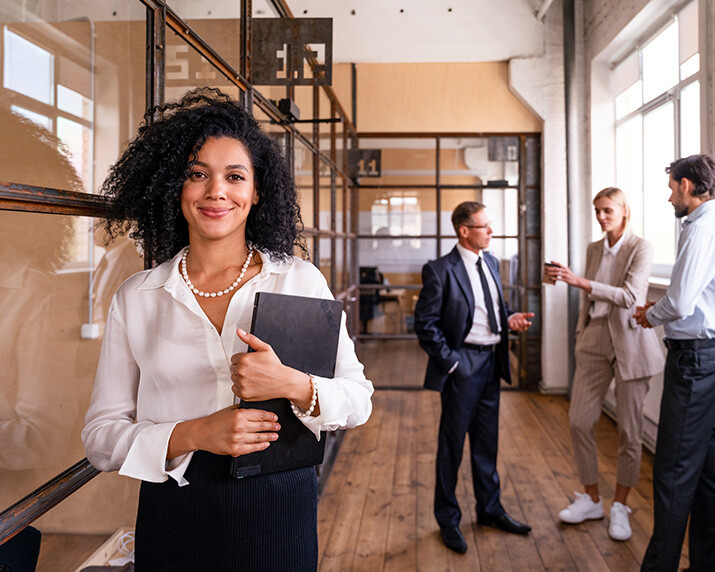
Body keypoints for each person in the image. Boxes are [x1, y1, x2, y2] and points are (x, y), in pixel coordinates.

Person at [82, 88, 373, 571]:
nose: (216, 191)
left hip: (279, 509)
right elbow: (100, 437)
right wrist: (197, 432)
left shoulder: (299, 280)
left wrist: (292, 385)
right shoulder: (138, 296)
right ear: (174, 187)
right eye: (198, 175)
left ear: (256, 192)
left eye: (234, 176)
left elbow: (358, 399)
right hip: (176, 508)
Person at [413, 201, 534, 554]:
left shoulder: (492, 262)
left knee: (486, 443)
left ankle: (490, 510)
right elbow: (426, 324)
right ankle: (448, 519)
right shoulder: (439, 270)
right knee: (452, 447)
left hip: (492, 362)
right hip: (462, 365)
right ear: (464, 231)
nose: (491, 232)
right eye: (484, 227)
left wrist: (509, 318)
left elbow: (491, 308)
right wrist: (453, 363)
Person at [544, 187, 663, 541]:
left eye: (608, 210)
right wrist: (562, 281)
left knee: (629, 431)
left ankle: (621, 506)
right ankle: (592, 499)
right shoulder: (594, 248)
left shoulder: (641, 247)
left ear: (624, 211)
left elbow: (629, 297)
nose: (601, 217)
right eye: (597, 211)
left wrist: (580, 281)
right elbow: (592, 295)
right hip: (595, 337)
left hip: (630, 341)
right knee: (579, 421)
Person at [634, 154, 715, 572]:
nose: (669, 197)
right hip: (710, 358)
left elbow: (682, 303)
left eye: (671, 188)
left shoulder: (702, 227)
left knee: (671, 473)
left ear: (686, 185)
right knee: (707, 476)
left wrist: (651, 314)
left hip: (695, 363)